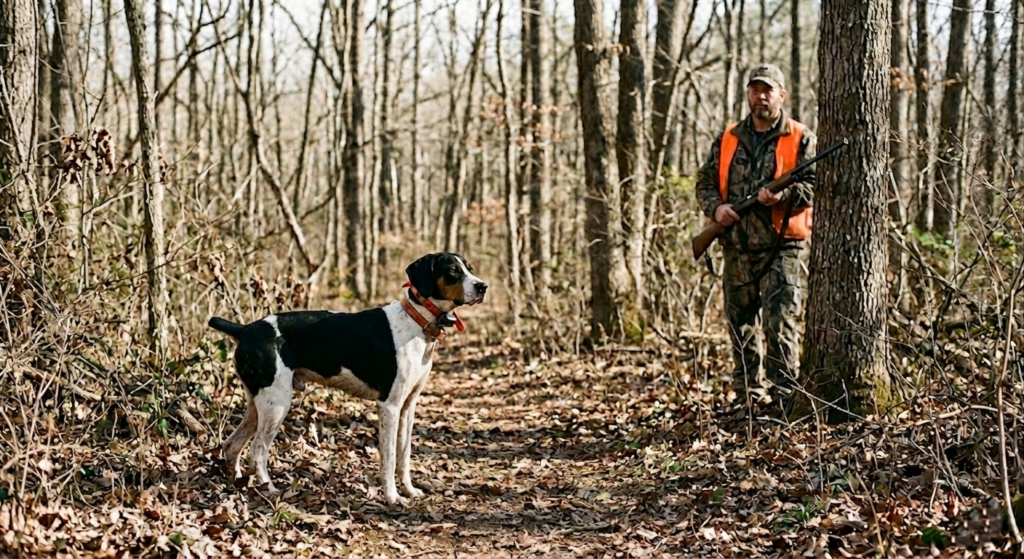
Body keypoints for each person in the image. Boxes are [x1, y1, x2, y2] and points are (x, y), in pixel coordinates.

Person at [695, 63, 817, 414]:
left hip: (783, 248)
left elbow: (814, 186)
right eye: (755, 89)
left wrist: (782, 197)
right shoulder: (729, 137)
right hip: (737, 247)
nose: (760, 96)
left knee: (781, 326)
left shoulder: (800, 137)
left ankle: (785, 400)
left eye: (768, 89)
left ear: (782, 94)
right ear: (748, 93)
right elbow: (704, 182)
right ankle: (748, 398)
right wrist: (717, 210)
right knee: (742, 327)